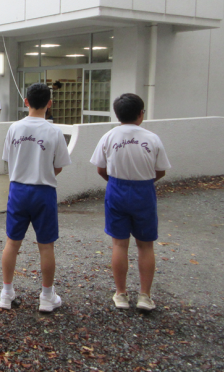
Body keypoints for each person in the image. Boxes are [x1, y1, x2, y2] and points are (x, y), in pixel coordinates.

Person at [90, 93, 171, 311]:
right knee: (145, 245)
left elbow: (100, 169)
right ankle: (144, 296)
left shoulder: (109, 137)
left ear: (117, 114)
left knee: (119, 243)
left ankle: (121, 294)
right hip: (144, 191)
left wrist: (115, 182)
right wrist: (143, 181)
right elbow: (161, 170)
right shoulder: (152, 138)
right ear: (141, 114)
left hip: (116, 189)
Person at [0, 83, 71, 312]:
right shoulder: (54, 131)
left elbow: (8, 160)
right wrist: (43, 173)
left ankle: (6, 293)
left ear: (26, 101)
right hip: (44, 191)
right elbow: (58, 166)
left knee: (12, 243)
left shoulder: (14, 128)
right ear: (49, 103)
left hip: (18, 190)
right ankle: (47, 297)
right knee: (46, 246)